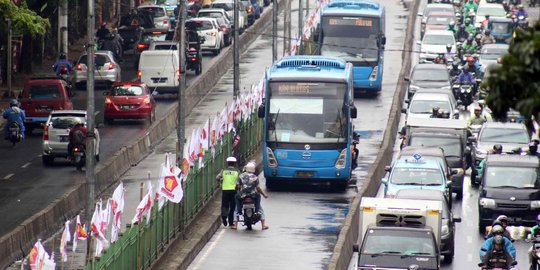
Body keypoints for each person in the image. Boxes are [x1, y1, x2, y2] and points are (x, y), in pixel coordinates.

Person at [234, 161, 269, 230]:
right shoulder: (255, 177)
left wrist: (237, 190)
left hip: (242, 195)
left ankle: (235, 224)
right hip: (253, 195)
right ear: (253, 169)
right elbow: (258, 188)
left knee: (236, 206)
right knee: (259, 206)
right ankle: (263, 224)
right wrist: (264, 195)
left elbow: (238, 186)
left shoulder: (241, 176)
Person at [216, 156, 240, 228]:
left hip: (225, 190)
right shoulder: (237, 171)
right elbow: (239, 181)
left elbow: (217, 178)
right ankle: (231, 222)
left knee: (225, 205)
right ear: (234, 164)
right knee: (232, 207)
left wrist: (221, 181)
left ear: (228, 163)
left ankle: (224, 217)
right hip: (233, 190)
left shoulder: (223, 171)